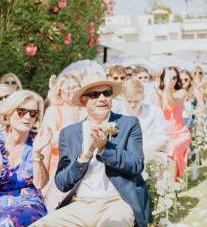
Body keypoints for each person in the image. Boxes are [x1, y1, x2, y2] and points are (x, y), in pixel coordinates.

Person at [31, 73, 151, 227]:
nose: (102, 98)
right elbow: (62, 183)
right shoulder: (69, 133)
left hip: (118, 202)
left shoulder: (128, 124)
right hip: (81, 204)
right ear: (83, 101)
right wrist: (83, 157)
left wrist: (105, 148)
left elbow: (136, 165)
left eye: (106, 93)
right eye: (94, 94)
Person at [1, 90, 52, 226]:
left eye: (33, 113)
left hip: (28, 203)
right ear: (8, 114)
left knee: (6, 222)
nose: (28, 117)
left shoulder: (40, 141)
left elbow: (40, 184)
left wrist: (36, 154)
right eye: (21, 111)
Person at [39, 73, 84, 211]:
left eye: (75, 87)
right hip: (60, 163)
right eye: (68, 89)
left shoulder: (85, 109)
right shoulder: (54, 111)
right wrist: (72, 130)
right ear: (59, 92)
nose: (72, 91)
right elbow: (49, 140)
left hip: (83, 162)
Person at [156, 67, 191, 178]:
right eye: (169, 77)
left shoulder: (181, 92)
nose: (172, 80)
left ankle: (172, 185)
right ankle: (159, 183)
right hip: (163, 133)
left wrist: (167, 89)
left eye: (174, 77)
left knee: (172, 146)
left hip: (180, 133)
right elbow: (156, 112)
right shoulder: (157, 92)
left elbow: (173, 103)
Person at [120, 79, 169, 160]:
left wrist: (141, 154)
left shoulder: (154, 111)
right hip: (128, 159)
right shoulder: (119, 115)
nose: (132, 105)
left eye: (136, 101)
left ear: (143, 97)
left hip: (153, 156)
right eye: (129, 101)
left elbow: (163, 140)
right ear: (123, 97)